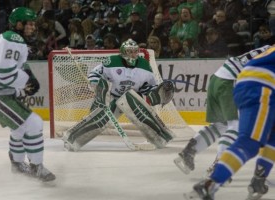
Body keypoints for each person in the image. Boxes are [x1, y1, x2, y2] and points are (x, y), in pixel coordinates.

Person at [0, 7, 55, 182]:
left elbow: (14, 67)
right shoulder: (14, 38)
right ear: (19, 24)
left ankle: (18, 164)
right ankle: (36, 166)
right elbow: (4, 72)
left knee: (20, 127)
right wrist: (26, 82)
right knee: (33, 122)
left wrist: (27, 77)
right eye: (30, 24)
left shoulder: (10, 39)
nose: (33, 27)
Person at [184, 45, 275, 200]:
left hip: (250, 81)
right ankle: (209, 184)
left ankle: (258, 180)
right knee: (248, 142)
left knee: (272, 134)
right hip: (261, 85)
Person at [62, 38, 175, 151]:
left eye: (135, 51)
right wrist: (97, 84)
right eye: (129, 51)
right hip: (112, 97)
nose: (133, 54)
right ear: (122, 52)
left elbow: (147, 87)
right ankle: (72, 138)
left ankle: (160, 137)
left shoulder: (144, 65)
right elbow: (95, 73)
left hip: (132, 98)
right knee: (100, 120)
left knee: (143, 115)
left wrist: (155, 94)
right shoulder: (111, 61)